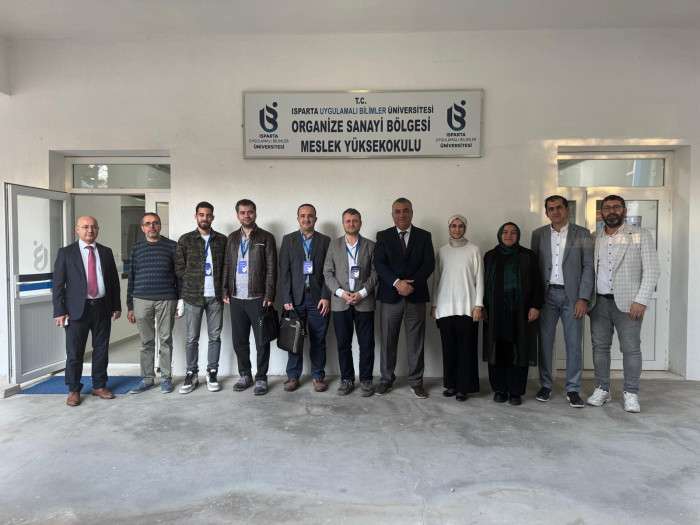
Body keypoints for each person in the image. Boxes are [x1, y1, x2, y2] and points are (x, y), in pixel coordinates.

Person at [586, 195, 660, 413]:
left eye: (616, 207)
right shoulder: (594, 237)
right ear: (601, 213)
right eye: (607, 208)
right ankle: (602, 389)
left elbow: (652, 270)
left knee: (631, 349)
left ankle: (631, 392)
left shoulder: (640, 235)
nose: (612, 211)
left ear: (624, 211)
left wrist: (641, 300)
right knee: (600, 348)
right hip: (599, 302)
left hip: (629, 304)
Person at [531, 195, 594, 408]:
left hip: (572, 296)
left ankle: (573, 388)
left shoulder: (582, 234)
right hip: (546, 296)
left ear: (567, 210)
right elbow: (533, 268)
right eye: (551, 209)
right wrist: (535, 299)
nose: (555, 212)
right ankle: (546, 385)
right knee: (545, 343)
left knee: (574, 343)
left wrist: (583, 298)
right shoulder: (538, 234)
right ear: (546, 212)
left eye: (559, 207)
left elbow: (588, 266)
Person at [52, 216, 121, 407]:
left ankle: (99, 385)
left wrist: (116, 305)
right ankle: (74, 389)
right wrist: (59, 310)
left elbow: (113, 282)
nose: (90, 230)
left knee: (101, 349)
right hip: (76, 311)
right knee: (75, 352)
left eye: (93, 227)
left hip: (102, 307)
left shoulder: (106, 252)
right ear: (77, 230)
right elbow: (58, 285)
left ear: (98, 229)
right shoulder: (66, 253)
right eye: (85, 227)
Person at [374, 197, 435, 398]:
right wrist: (397, 283)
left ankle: (416, 382)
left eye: (406, 210)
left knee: (416, 342)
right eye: (398, 211)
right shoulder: (383, 236)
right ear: (392, 214)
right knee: (387, 341)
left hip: (415, 296)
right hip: (390, 297)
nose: (402, 214)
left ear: (412, 212)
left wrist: (411, 285)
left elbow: (429, 264)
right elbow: (379, 263)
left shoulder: (424, 236)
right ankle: (386, 379)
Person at [483, 222, 543, 405]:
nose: (509, 235)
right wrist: (482, 306)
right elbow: (483, 283)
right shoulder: (490, 256)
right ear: (499, 234)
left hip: (520, 313)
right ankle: (500, 389)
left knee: (519, 351)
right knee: (498, 350)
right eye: (505, 232)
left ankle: (516, 391)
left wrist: (535, 306)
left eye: (513, 232)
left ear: (518, 236)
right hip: (495, 312)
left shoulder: (528, 256)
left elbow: (538, 283)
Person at [222, 199, 277, 396]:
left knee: (262, 340)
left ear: (255, 213)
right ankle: (245, 375)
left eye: (250, 212)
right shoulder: (231, 238)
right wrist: (225, 289)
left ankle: (261, 377)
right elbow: (227, 265)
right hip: (236, 298)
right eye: (243, 212)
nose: (247, 215)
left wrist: (269, 294)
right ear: (237, 215)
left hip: (258, 297)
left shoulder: (266, 237)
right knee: (239, 340)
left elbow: (271, 268)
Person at [323, 208, 378, 397]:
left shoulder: (371, 246)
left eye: (355, 220)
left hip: (365, 302)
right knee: (343, 344)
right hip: (341, 302)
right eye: (348, 221)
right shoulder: (334, 245)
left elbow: (375, 273)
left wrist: (362, 293)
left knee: (367, 344)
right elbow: (327, 272)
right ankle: (346, 379)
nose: (351, 224)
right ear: (343, 223)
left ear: (360, 223)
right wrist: (340, 293)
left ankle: (366, 380)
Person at [175, 201, 227, 394]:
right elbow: (179, 269)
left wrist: (225, 290)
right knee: (191, 338)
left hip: (215, 296)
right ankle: (191, 373)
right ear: (196, 216)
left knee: (215, 336)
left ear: (213, 217)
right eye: (201, 214)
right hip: (192, 296)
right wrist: (184, 293)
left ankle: (212, 372)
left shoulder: (222, 240)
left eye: (208, 215)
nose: (205, 218)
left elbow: (226, 267)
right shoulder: (185, 240)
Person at [279, 203, 331, 392]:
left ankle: (318, 376)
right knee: (293, 338)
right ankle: (293, 376)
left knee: (319, 339)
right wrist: (286, 298)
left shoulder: (325, 241)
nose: (306, 219)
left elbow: (329, 271)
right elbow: (284, 271)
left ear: (315, 219)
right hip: (295, 299)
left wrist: (326, 296)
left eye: (310, 216)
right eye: (303, 215)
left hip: (318, 299)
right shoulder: (288, 240)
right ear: (298, 218)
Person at [431, 215, 483, 402]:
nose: (457, 229)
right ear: (449, 228)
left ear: (465, 228)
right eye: (453, 226)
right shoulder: (442, 251)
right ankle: (451, 385)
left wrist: (479, 305)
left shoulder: (474, 250)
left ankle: (464, 387)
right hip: (445, 307)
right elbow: (436, 280)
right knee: (449, 349)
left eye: (461, 226)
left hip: (467, 307)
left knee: (466, 350)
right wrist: (434, 304)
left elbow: (480, 279)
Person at [126, 213, 179, 394]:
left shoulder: (172, 246)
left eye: (155, 223)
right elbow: (131, 277)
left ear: (160, 225)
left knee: (165, 340)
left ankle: (166, 378)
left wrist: (180, 300)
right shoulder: (136, 248)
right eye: (148, 224)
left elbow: (179, 275)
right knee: (146, 341)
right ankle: (147, 379)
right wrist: (130, 306)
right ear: (142, 228)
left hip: (167, 298)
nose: (152, 226)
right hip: (141, 299)